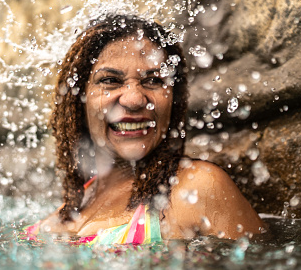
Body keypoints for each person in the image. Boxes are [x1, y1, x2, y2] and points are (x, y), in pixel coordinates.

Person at [25, 15, 265, 245]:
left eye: (153, 80)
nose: (134, 99)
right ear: (79, 100)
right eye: (110, 80)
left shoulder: (197, 188)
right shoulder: (69, 209)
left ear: (174, 99)